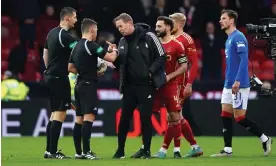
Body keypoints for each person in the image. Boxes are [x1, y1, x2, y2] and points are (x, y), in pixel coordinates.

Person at [211, 9, 272, 157]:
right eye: (220, 18)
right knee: (225, 114)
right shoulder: (229, 39)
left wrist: (237, 80)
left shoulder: (238, 37)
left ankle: (265, 138)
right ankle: (227, 149)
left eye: (223, 18)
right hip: (228, 84)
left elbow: (244, 61)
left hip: (239, 84)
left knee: (239, 118)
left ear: (231, 21)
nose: (220, 21)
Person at [112, 13, 167, 159]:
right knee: (124, 119)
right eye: (118, 27)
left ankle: (146, 150)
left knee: (145, 118)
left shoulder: (149, 35)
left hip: (146, 85)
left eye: (121, 26)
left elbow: (162, 55)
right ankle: (120, 150)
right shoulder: (122, 41)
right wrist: (113, 56)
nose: (120, 30)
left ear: (130, 23)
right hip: (129, 86)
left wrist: (150, 72)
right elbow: (120, 65)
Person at [68, 18, 118, 160]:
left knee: (79, 119)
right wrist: (114, 49)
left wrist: (88, 71)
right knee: (89, 117)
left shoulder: (76, 46)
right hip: (89, 85)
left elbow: (70, 68)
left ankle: (79, 153)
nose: (96, 33)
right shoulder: (92, 46)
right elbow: (111, 58)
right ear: (91, 30)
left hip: (79, 85)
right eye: (95, 31)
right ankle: (87, 152)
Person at [150, 16, 188, 158]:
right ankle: (146, 148)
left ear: (167, 27)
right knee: (148, 114)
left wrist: (169, 77)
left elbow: (184, 66)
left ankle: (174, 150)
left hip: (170, 85)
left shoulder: (177, 45)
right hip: (155, 86)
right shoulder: (154, 44)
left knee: (174, 116)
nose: (156, 29)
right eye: (156, 26)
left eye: (159, 26)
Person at [43, 7, 78, 159]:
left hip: (50, 76)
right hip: (59, 77)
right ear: (67, 18)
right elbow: (80, 51)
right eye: (75, 17)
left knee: (53, 114)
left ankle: (48, 150)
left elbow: (45, 53)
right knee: (60, 113)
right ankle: (52, 152)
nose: (76, 20)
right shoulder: (66, 37)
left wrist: (49, 69)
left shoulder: (51, 33)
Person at [169, 12, 203, 157]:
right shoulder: (167, 37)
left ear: (179, 24)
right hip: (168, 82)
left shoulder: (187, 39)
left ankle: (170, 150)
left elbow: (194, 64)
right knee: (174, 117)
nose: (169, 25)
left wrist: (189, 84)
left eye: (171, 23)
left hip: (180, 82)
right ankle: (194, 146)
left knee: (174, 116)